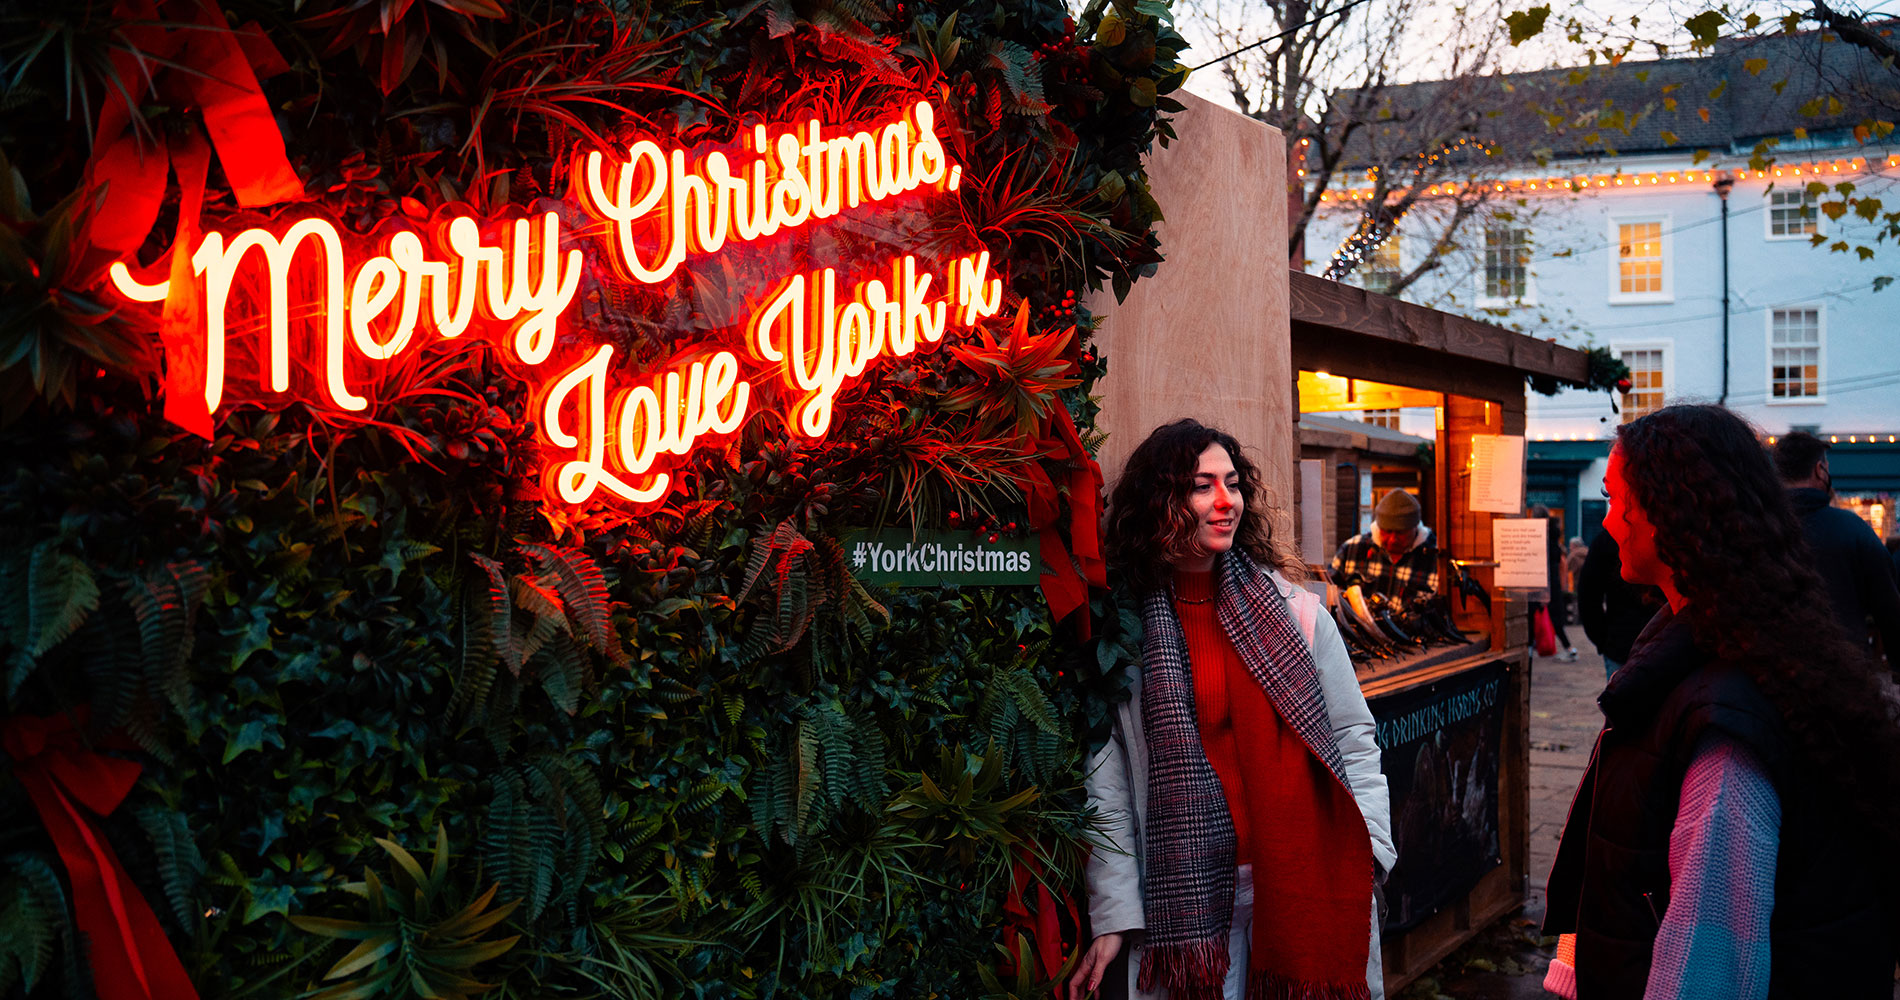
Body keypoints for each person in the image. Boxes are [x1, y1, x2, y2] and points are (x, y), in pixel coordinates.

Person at [1542, 405, 1900, 999]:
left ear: (1669, 507)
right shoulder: (1730, 645)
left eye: (1613, 499)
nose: (1608, 525)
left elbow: (1711, 957)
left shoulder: (1728, 719)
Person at [1070, 419, 1396, 1000]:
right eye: (1202, 485)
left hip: (1301, 881)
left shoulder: (1295, 615)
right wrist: (1114, 912)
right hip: (1184, 902)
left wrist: (1369, 850)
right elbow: (1107, 782)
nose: (1226, 502)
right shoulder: (1124, 633)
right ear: (1160, 501)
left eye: (1233, 483)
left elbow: (1352, 739)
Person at [1771, 431, 1900, 675]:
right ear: (1820, 470)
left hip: (1775, 670)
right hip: (1845, 667)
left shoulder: (1757, 528)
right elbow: (1889, 607)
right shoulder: (1853, 529)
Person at [1573, 530, 1665, 680]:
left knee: (1624, 700)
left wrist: (1603, 640)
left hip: (1622, 643)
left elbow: (1588, 593)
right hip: (1652, 642)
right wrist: (1603, 640)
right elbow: (1589, 594)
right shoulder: (1667, 529)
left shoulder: (1610, 537)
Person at [1329, 488, 1440, 603]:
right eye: (1387, 531)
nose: (1392, 540)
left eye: (1401, 532)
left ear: (1415, 527)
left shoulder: (1435, 558)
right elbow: (1329, 593)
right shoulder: (1352, 549)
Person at [1529, 504, 1578, 662]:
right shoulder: (1553, 538)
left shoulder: (1542, 538)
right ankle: (1566, 647)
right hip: (1552, 584)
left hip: (1543, 584)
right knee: (1551, 618)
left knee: (1540, 616)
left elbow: (1545, 564)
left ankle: (1568, 649)